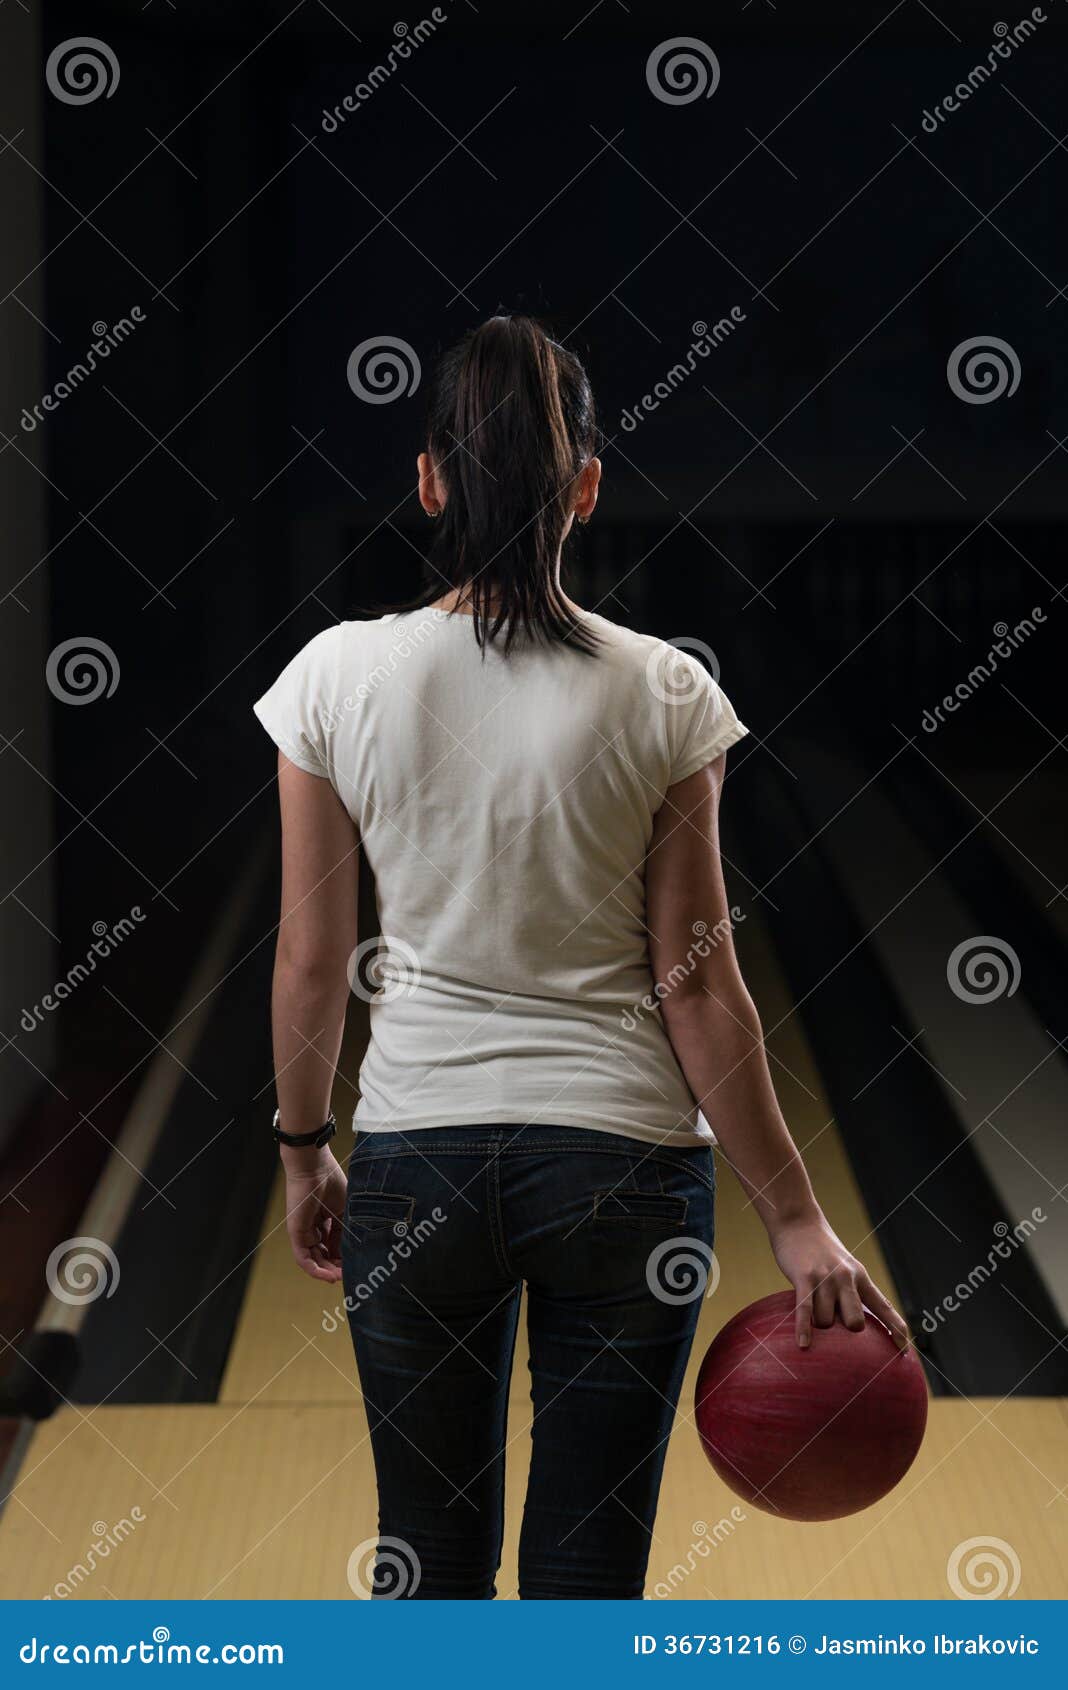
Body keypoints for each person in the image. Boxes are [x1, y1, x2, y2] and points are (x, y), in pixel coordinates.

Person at [253, 314, 909, 1601]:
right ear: (589, 488)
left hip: (416, 1161)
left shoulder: (336, 674)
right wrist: (798, 1219)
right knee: (586, 1575)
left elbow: (312, 959)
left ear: (430, 477)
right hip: (625, 1176)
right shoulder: (664, 689)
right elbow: (701, 982)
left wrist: (300, 1147)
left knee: (428, 1562)